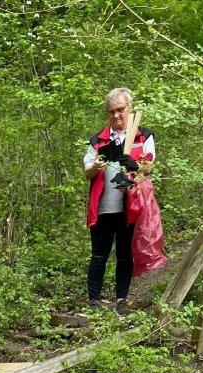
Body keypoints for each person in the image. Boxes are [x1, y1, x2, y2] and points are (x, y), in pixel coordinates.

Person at [84, 88, 155, 313]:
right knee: (98, 255)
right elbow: (87, 170)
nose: (116, 115)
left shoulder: (143, 135)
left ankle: (121, 301)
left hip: (129, 207)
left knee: (124, 255)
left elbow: (149, 167)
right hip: (103, 207)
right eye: (111, 111)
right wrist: (97, 164)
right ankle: (93, 301)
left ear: (129, 107)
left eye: (120, 110)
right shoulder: (98, 139)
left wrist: (137, 166)